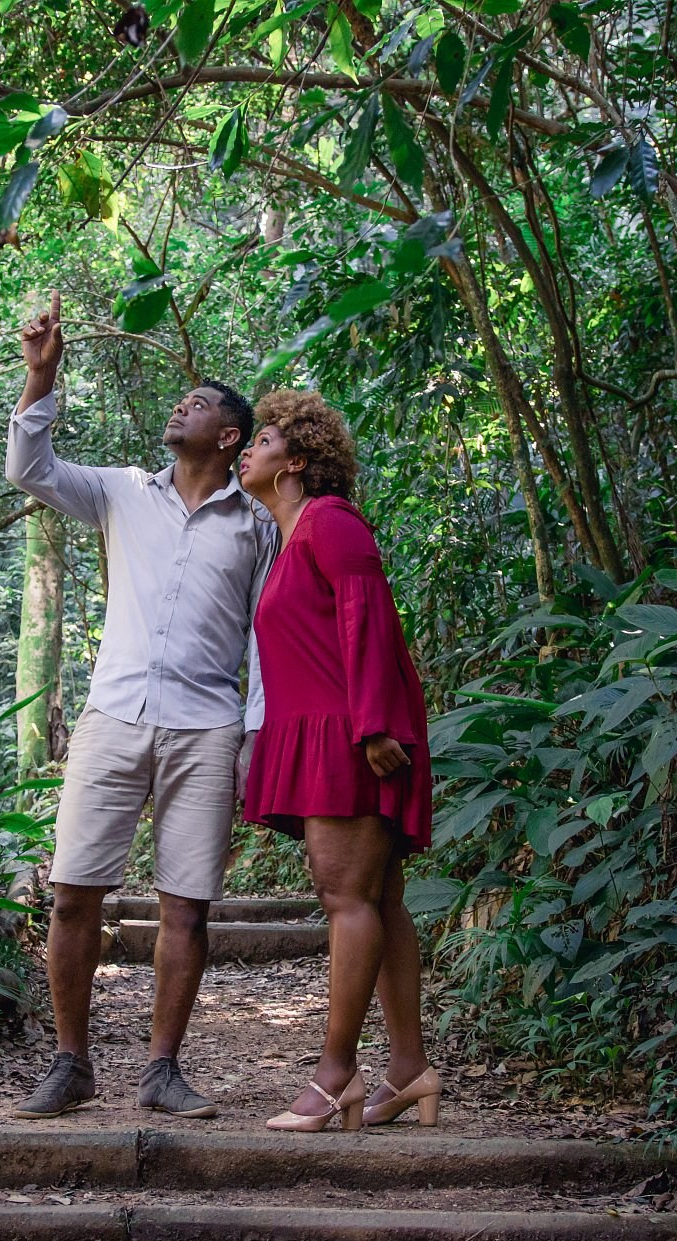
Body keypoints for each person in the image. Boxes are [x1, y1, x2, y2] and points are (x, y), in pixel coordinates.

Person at [4, 290, 275, 1122]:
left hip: (206, 728)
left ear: (228, 437)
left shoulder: (257, 524)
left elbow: (265, 639)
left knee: (186, 902)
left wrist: (256, 737)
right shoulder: (121, 490)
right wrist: (39, 379)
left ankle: (162, 1068)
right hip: (113, 715)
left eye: (196, 404)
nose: (179, 405)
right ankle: (70, 1061)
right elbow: (30, 470)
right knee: (75, 891)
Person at [236, 390, 438, 1133]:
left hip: (354, 735)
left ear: (295, 461)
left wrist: (375, 725)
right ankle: (410, 1069)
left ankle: (334, 1074)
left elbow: (368, 615)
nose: (247, 451)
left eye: (261, 440)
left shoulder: (330, 520)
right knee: (377, 900)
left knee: (345, 897)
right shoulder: (292, 536)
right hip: (327, 730)